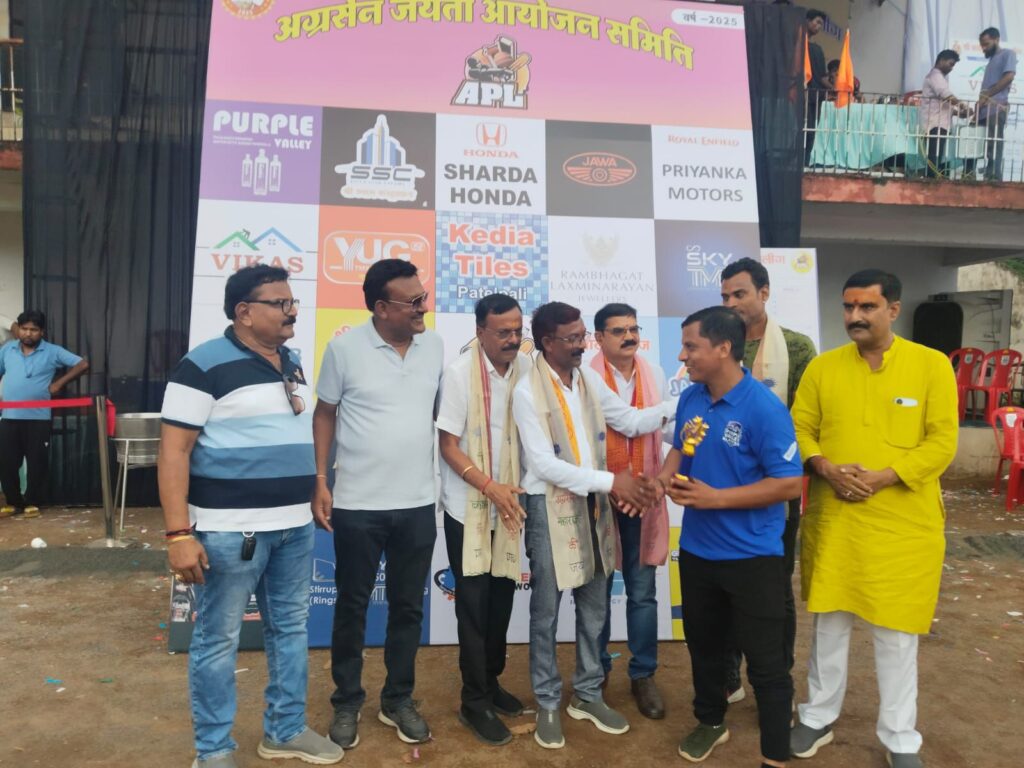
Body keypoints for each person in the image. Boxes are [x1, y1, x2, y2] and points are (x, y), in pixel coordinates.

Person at [158, 265, 342, 768]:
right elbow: (173, 451)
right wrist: (178, 533)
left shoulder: (291, 360)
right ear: (244, 312)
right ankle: (214, 751)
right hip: (228, 532)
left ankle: (285, 730)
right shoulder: (202, 365)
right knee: (218, 640)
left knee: (291, 629)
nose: (292, 311)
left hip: (294, 526)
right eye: (280, 304)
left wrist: (315, 486)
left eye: (292, 302)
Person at [789, 270, 958, 768]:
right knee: (830, 622)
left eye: (867, 307)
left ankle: (900, 738)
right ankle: (817, 716)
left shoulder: (930, 365)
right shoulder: (823, 367)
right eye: (849, 307)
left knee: (896, 633)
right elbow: (800, 427)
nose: (855, 316)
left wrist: (886, 476)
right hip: (837, 518)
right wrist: (824, 467)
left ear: (893, 309)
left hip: (903, 525)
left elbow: (943, 441)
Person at [512, 301, 671, 749]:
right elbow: (543, 465)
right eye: (572, 338)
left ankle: (586, 693)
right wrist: (612, 482)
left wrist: (686, 402)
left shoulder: (587, 379)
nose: (582, 345)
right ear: (547, 342)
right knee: (546, 610)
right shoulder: (527, 391)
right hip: (549, 506)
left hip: (594, 503)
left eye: (583, 335)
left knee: (595, 604)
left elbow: (630, 421)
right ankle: (547, 700)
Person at [656, 306, 802, 768]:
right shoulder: (692, 398)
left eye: (691, 346)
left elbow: (789, 484)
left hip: (752, 558)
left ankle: (775, 755)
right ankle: (710, 721)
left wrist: (716, 498)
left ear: (723, 348)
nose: (683, 356)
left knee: (766, 664)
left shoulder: (764, 409)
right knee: (704, 648)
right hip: (698, 553)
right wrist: (660, 482)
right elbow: (680, 450)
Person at [312, 258, 444, 749]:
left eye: (423, 297)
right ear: (382, 307)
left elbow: (437, 416)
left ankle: (398, 699)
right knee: (351, 606)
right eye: (414, 301)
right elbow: (324, 413)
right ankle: (346, 702)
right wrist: (321, 479)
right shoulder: (344, 349)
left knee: (408, 608)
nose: (423, 307)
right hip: (358, 504)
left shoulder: (435, 347)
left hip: (418, 503)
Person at [719, 257, 817, 704]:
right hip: (723, 487)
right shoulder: (720, 343)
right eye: (725, 296)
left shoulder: (796, 347)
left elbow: (805, 418)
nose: (731, 303)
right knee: (726, 586)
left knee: (775, 590)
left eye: (739, 294)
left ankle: (774, 681)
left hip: (776, 490)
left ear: (764, 293)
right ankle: (729, 676)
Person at [436, 294, 531, 746]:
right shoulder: (459, 374)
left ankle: (491, 683)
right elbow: (448, 445)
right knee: (474, 609)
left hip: (510, 505)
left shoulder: (527, 369)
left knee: (502, 601)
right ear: (479, 332)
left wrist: (504, 491)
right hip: (468, 508)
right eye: (503, 332)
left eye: (518, 331)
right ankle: (473, 701)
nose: (513, 339)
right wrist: (488, 485)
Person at [590, 303, 673, 720]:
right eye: (618, 330)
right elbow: (629, 423)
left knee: (642, 591)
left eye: (633, 328)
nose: (629, 336)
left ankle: (643, 674)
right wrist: (686, 404)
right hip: (600, 496)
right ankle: (596, 673)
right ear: (598, 338)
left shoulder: (653, 372)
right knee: (598, 591)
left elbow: (664, 429)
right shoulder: (586, 375)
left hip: (643, 496)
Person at [0, 310, 89, 519]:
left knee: (36, 462)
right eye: (24, 329)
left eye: (33, 330)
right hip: (9, 417)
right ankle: (13, 503)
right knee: (7, 462)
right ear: (19, 329)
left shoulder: (52, 351)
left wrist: (59, 383)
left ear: (42, 332)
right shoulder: (7, 349)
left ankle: (32, 502)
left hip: (38, 418)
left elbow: (82, 364)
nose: (28, 333)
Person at [920, 50, 970, 178]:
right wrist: (963, 105)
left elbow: (944, 105)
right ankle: (931, 182)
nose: (951, 68)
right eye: (950, 64)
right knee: (934, 158)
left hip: (938, 123)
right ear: (942, 60)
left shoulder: (938, 77)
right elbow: (946, 95)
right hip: (935, 124)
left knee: (936, 157)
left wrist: (960, 113)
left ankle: (932, 180)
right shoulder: (935, 76)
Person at [976, 27, 1017, 181]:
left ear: (997, 39)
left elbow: (1009, 77)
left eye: (986, 44)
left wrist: (987, 95)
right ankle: (986, 173)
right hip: (983, 109)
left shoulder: (1008, 54)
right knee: (983, 144)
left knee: (995, 142)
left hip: (996, 107)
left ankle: (994, 176)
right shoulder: (991, 61)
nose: (984, 48)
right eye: (982, 45)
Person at [804, 10, 831, 165]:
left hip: (813, 97)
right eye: (817, 22)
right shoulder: (814, 49)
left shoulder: (815, 49)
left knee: (808, 132)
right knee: (809, 131)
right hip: (809, 97)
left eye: (821, 24)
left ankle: (804, 163)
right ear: (807, 21)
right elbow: (823, 78)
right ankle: (804, 163)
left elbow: (822, 77)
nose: (819, 26)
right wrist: (835, 88)